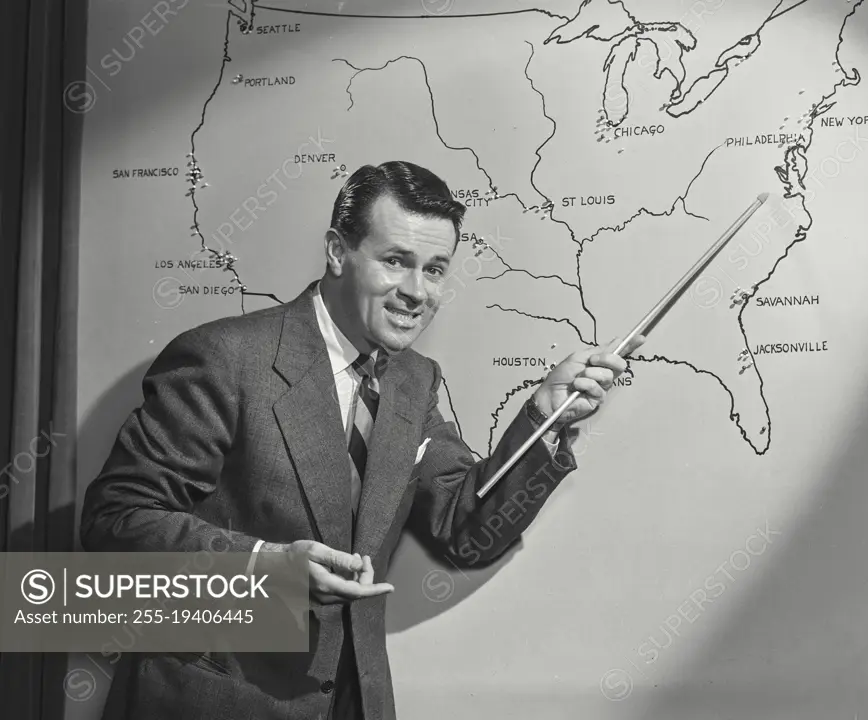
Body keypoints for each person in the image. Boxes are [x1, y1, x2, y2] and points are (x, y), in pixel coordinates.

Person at [80, 160, 644, 720]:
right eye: (396, 261)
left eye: (435, 269)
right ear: (336, 251)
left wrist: (545, 418)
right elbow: (115, 518)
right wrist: (266, 566)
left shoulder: (414, 380)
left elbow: (467, 531)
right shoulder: (224, 358)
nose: (416, 292)